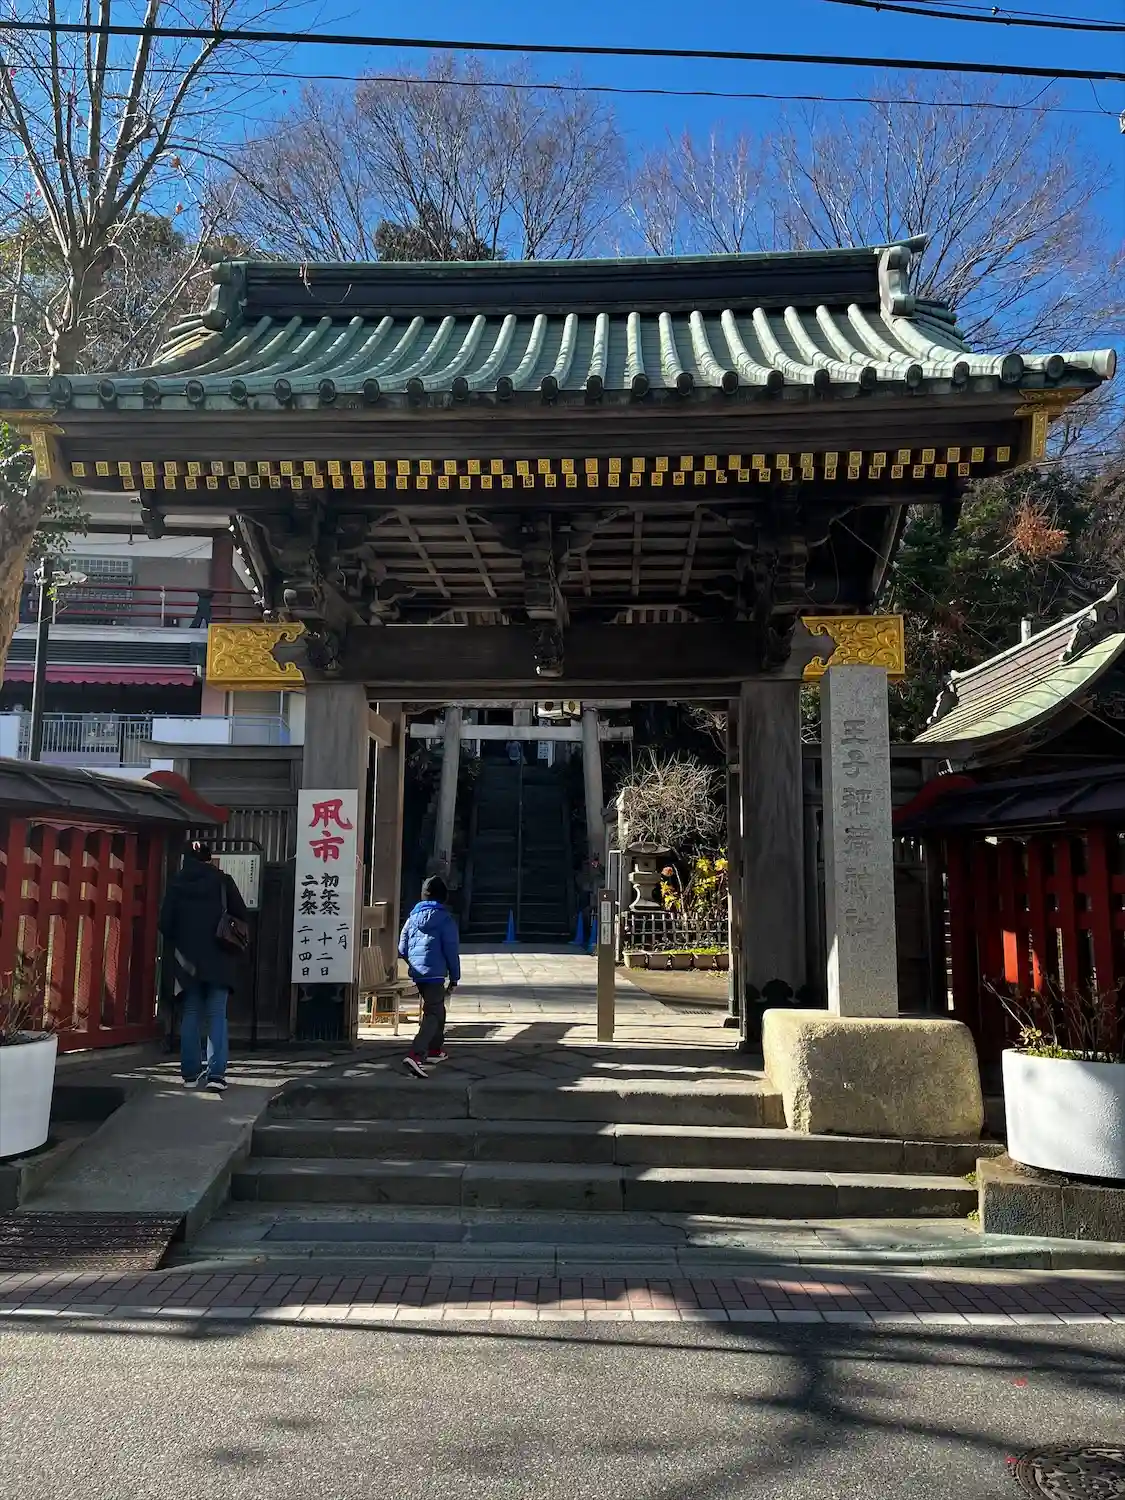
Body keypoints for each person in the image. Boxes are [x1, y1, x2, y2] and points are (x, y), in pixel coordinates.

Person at [159, 840, 249, 1092]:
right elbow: (241, 915)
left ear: (186, 859)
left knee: (191, 1013)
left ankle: (190, 1074)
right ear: (209, 859)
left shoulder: (176, 884)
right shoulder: (223, 881)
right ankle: (216, 1075)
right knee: (217, 1014)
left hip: (187, 961)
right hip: (219, 957)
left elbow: (164, 923)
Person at [398, 875, 461, 1079]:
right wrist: (455, 977)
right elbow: (451, 950)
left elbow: (402, 947)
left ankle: (435, 1049)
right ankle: (416, 1054)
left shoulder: (412, 918)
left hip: (419, 973)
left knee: (437, 1008)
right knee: (433, 1013)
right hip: (435, 973)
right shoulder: (445, 920)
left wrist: (414, 964)